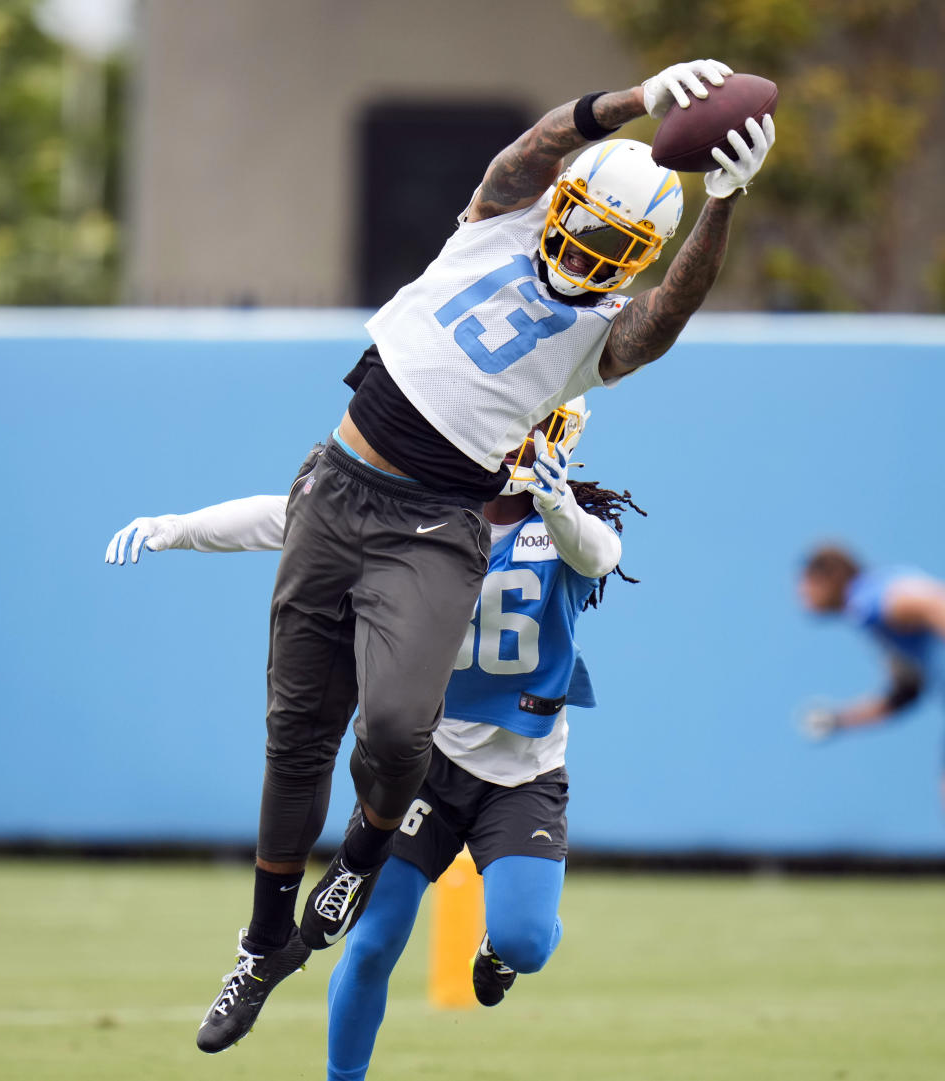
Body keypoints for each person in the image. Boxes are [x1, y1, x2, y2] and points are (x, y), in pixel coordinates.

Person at [113, 56, 775, 1053]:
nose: (592, 255)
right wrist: (638, 99)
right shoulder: (497, 222)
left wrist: (720, 206)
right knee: (296, 735)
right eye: (589, 226)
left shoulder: (593, 343)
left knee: (389, 728)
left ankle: (359, 859)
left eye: (616, 249)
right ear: (562, 205)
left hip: (435, 530)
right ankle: (261, 944)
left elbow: (661, 326)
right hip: (339, 481)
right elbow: (534, 147)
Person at [106, 402, 640, 1077]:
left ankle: (501, 948)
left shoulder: (563, 525)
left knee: (526, 940)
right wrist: (175, 527)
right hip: (425, 763)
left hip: (523, 773)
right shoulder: (421, 504)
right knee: (370, 944)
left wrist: (558, 505)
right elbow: (288, 516)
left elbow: (601, 552)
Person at [797, 546, 945, 776]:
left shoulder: (868, 597)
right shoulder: (872, 612)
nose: (801, 594)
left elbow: (933, 603)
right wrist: (839, 721)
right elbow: (905, 692)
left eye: (806, 584)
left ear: (830, 576)